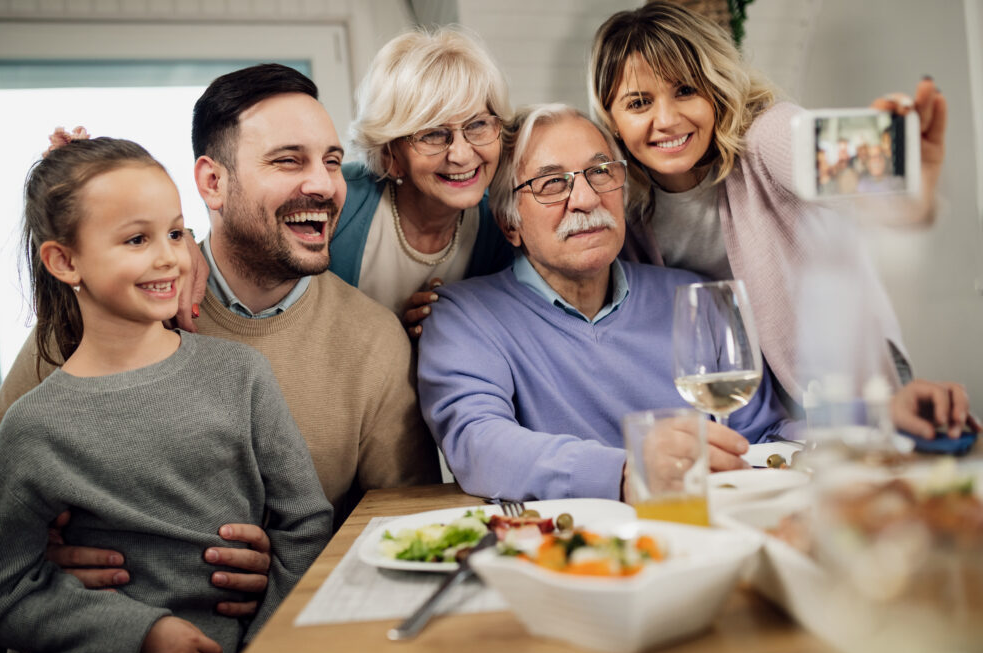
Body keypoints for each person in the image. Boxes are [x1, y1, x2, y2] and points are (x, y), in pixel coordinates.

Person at [0, 64, 439, 653]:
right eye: (288, 161)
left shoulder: (371, 339)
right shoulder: (109, 311)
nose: (324, 185)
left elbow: (397, 525)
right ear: (212, 182)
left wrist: (294, 577)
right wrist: (45, 557)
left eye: (330, 160)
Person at [0, 133, 332, 653]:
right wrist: (140, 639)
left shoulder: (241, 375)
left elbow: (304, 523)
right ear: (64, 261)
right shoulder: (31, 429)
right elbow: (2, 598)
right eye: (137, 239)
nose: (169, 255)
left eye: (174, 231)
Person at [417, 104, 795, 502]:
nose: (585, 198)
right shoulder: (463, 318)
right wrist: (625, 472)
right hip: (571, 554)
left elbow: (765, 437)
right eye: (551, 184)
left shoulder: (697, 297)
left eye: (600, 172)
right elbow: (480, 445)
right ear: (510, 224)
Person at [588, 1, 947, 411]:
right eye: (639, 103)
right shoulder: (622, 200)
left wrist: (894, 164)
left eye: (685, 90)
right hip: (752, 412)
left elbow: (833, 163)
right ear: (611, 117)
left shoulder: (763, 135)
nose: (666, 119)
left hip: (848, 382)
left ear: (715, 89)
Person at [332, 27, 514, 338]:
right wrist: (395, 337)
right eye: (432, 133)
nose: (460, 154)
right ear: (391, 152)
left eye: (478, 124)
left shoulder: (502, 224)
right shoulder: (337, 200)